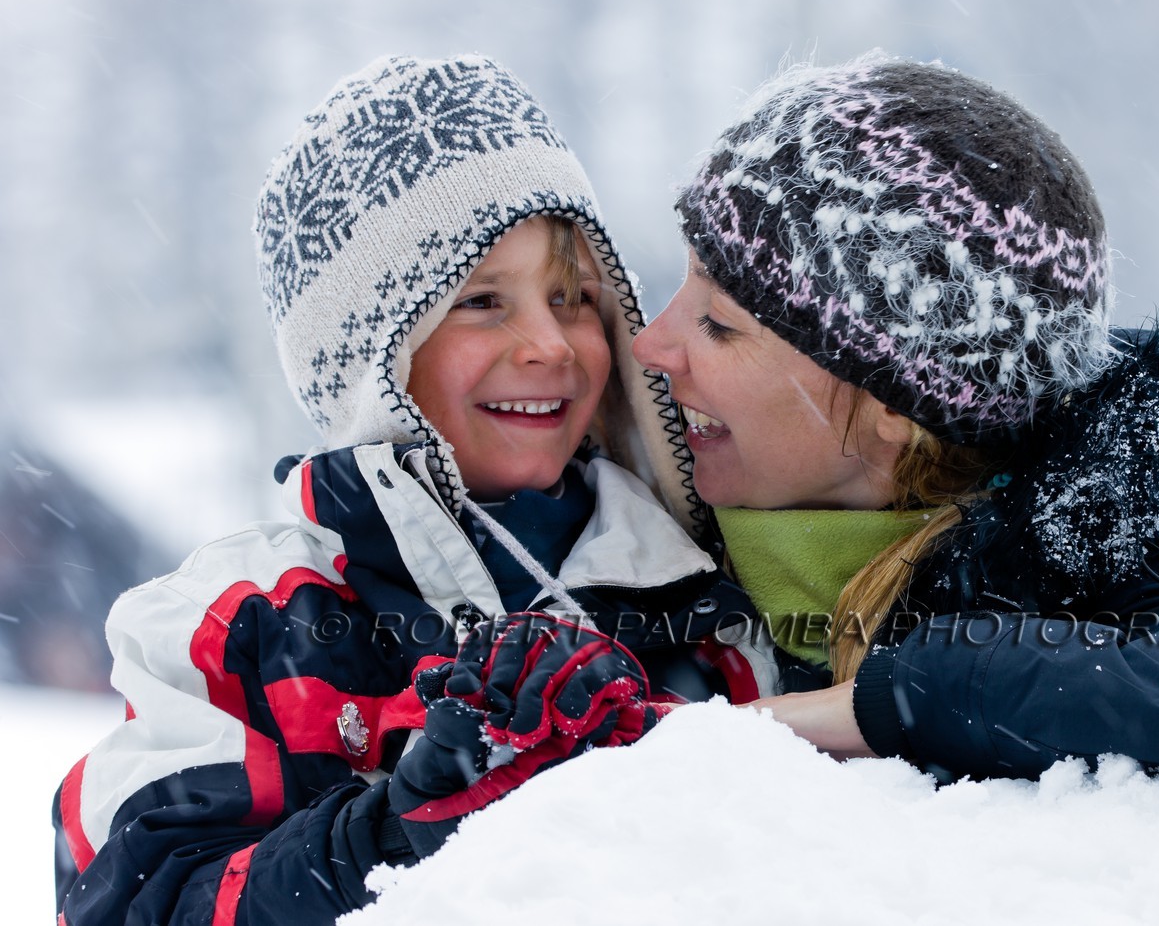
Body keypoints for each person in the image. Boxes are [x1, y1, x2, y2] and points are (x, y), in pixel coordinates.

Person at [53, 54, 776, 926]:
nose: (550, 344)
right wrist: (391, 834)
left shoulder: (696, 576)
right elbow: (132, 900)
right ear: (368, 354)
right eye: (481, 302)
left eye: (573, 297)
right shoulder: (247, 619)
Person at [633, 52, 1159, 868]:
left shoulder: (1090, 560)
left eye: (718, 323)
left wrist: (902, 697)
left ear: (893, 405)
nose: (652, 343)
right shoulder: (628, 513)